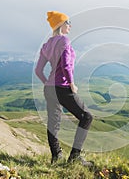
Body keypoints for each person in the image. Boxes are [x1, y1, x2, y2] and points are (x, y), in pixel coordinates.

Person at [35, 11, 93, 165]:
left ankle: (56, 156)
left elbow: (38, 71)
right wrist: (71, 84)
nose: (70, 26)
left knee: (53, 123)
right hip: (62, 87)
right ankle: (75, 156)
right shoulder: (64, 41)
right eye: (68, 22)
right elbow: (66, 65)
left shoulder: (46, 45)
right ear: (61, 24)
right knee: (87, 117)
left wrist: (48, 83)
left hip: (49, 89)